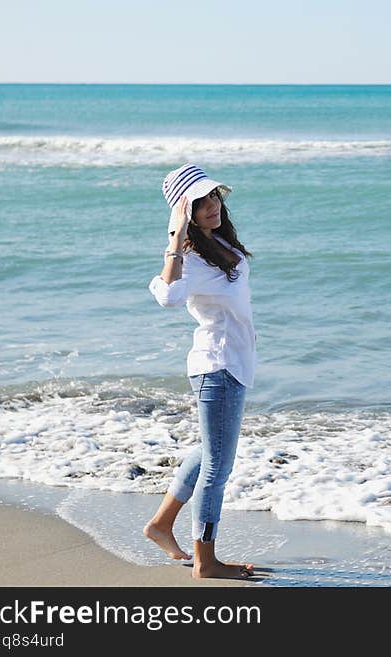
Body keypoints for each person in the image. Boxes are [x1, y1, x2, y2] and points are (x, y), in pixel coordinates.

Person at [143, 164, 257, 579]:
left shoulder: (222, 243)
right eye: (200, 202)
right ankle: (205, 562)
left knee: (210, 454)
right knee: (217, 468)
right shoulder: (189, 257)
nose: (212, 206)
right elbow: (167, 296)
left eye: (214, 197)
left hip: (236, 363)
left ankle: (159, 524)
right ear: (185, 212)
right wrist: (175, 235)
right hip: (217, 365)